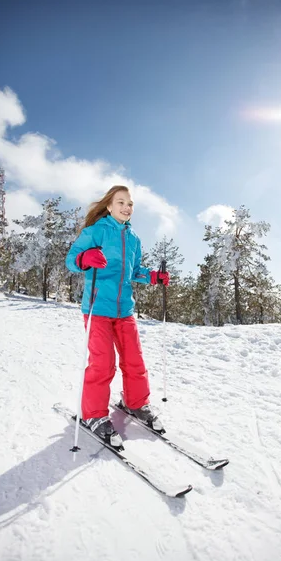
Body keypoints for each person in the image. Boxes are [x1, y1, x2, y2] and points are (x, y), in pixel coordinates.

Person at [66, 185, 170, 447]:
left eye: (130, 203)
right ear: (109, 206)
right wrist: (85, 257)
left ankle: (135, 403)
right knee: (103, 364)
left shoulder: (133, 238)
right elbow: (71, 259)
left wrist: (153, 277)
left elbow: (134, 271)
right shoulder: (96, 231)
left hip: (124, 310)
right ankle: (93, 415)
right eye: (120, 202)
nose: (126, 207)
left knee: (134, 360)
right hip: (98, 308)